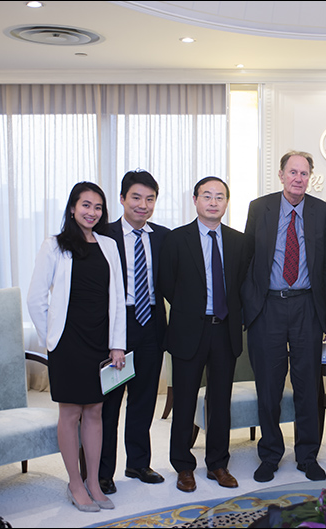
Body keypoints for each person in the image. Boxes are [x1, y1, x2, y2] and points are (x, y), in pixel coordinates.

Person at [28, 181, 126, 512]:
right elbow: (36, 299)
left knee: (95, 411)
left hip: (100, 341)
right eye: (86, 205)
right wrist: (52, 340)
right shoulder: (54, 246)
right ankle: (74, 483)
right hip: (67, 343)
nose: (92, 212)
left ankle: (93, 482)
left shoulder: (109, 245)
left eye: (98, 207)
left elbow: (117, 299)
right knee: (70, 413)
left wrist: (117, 344)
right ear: (72, 208)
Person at [241, 150, 326, 483]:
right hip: (269, 307)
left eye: (304, 173)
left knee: (308, 385)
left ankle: (307, 455)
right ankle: (270, 454)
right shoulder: (260, 207)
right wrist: (250, 307)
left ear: (310, 178)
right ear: (281, 175)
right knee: (269, 386)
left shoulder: (320, 210)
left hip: (307, 306)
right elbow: (247, 259)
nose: (298, 178)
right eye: (292, 172)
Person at [158, 176, 253, 492]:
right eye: (207, 196)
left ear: (227, 202)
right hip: (189, 330)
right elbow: (167, 284)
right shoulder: (176, 239)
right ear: (195, 200)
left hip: (224, 330)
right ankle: (183, 466)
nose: (213, 202)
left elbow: (242, 284)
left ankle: (218, 464)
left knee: (220, 401)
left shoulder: (239, 242)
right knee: (185, 400)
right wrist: (190, 309)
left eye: (220, 197)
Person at [98, 170, 170, 494]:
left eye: (150, 199)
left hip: (151, 322)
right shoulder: (104, 234)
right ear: (122, 199)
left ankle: (138, 463)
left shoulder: (163, 237)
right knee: (110, 403)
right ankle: (103, 472)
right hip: (117, 323)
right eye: (136, 198)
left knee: (144, 399)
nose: (143, 205)